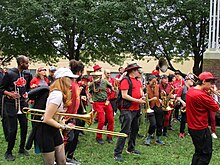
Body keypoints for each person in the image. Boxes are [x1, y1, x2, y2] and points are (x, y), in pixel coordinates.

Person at [36, 67, 76, 165]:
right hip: (45, 130)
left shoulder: (61, 93)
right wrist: (61, 126)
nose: (73, 80)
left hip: (54, 129)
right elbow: (46, 118)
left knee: (62, 161)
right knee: (49, 163)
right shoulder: (57, 95)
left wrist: (63, 123)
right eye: (70, 78)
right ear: (62, 78)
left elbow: (58, 115)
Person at [0, 55, 32, 161]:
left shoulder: (27, 74)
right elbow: (1, 89)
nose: (28, 65)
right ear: (21, 63)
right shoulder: (9, 73)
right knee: (12, 129)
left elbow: (27, 88)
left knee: (24, 127)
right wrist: (9, 93)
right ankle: (8, 152)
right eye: (26, 63)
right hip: (11, 104)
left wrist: (27, 96)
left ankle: (22, 148)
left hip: (22, 104)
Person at [186, 72, 220, 165]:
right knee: (206, 154)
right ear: (204, 81)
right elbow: (217, 109)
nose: (212, 85)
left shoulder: (191, 90)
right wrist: (211, 98)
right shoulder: (202, 95)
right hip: (201, 128)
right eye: (211, 82)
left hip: (192, 127)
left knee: (198, 152)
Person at [114, 63, 145, 162]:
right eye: (137, 70)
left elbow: (140, 92)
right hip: (127, 109)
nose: (138, 72)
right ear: (132, 71)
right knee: (124, 131)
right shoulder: (125, 80)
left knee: (135, 129)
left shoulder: (137, 81)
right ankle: (117, 153)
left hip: (136, 109)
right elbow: (124, 95)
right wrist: (138, 101)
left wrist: (142, 96)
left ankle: (130, 148)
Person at [64, 59, 84, 164]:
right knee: (69, 139)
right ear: (79, 72)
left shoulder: (75, 83)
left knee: (74, 138)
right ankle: (62, 158)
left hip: (74, 115)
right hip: (67, 116)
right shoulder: (70, 84)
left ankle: (70, 156)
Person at [89, 66, 114, 145]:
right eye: (95, 76)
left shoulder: (104, 82)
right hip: (98, 103)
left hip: (106, 102)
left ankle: (109, 136)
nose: (97, 78)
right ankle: (98, 137)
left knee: (111, 119)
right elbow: (89, 91)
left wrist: (115, 87)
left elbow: (112, 88)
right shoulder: (91, 84)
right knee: (102, 120)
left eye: (98, 76)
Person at [145, 75, 165, 145]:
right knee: (153, 124)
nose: (154, 83)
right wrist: (151, 99)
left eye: (155, 82)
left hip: (158, 106)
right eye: (153, 82)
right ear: (149, 81)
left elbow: (159, 96)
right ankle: (148, 137)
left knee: (160, 123)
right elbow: (144, 100)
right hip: (150, 107)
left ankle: (158, 139)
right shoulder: (145, 88)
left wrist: (161, 97)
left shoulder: (158, 87)